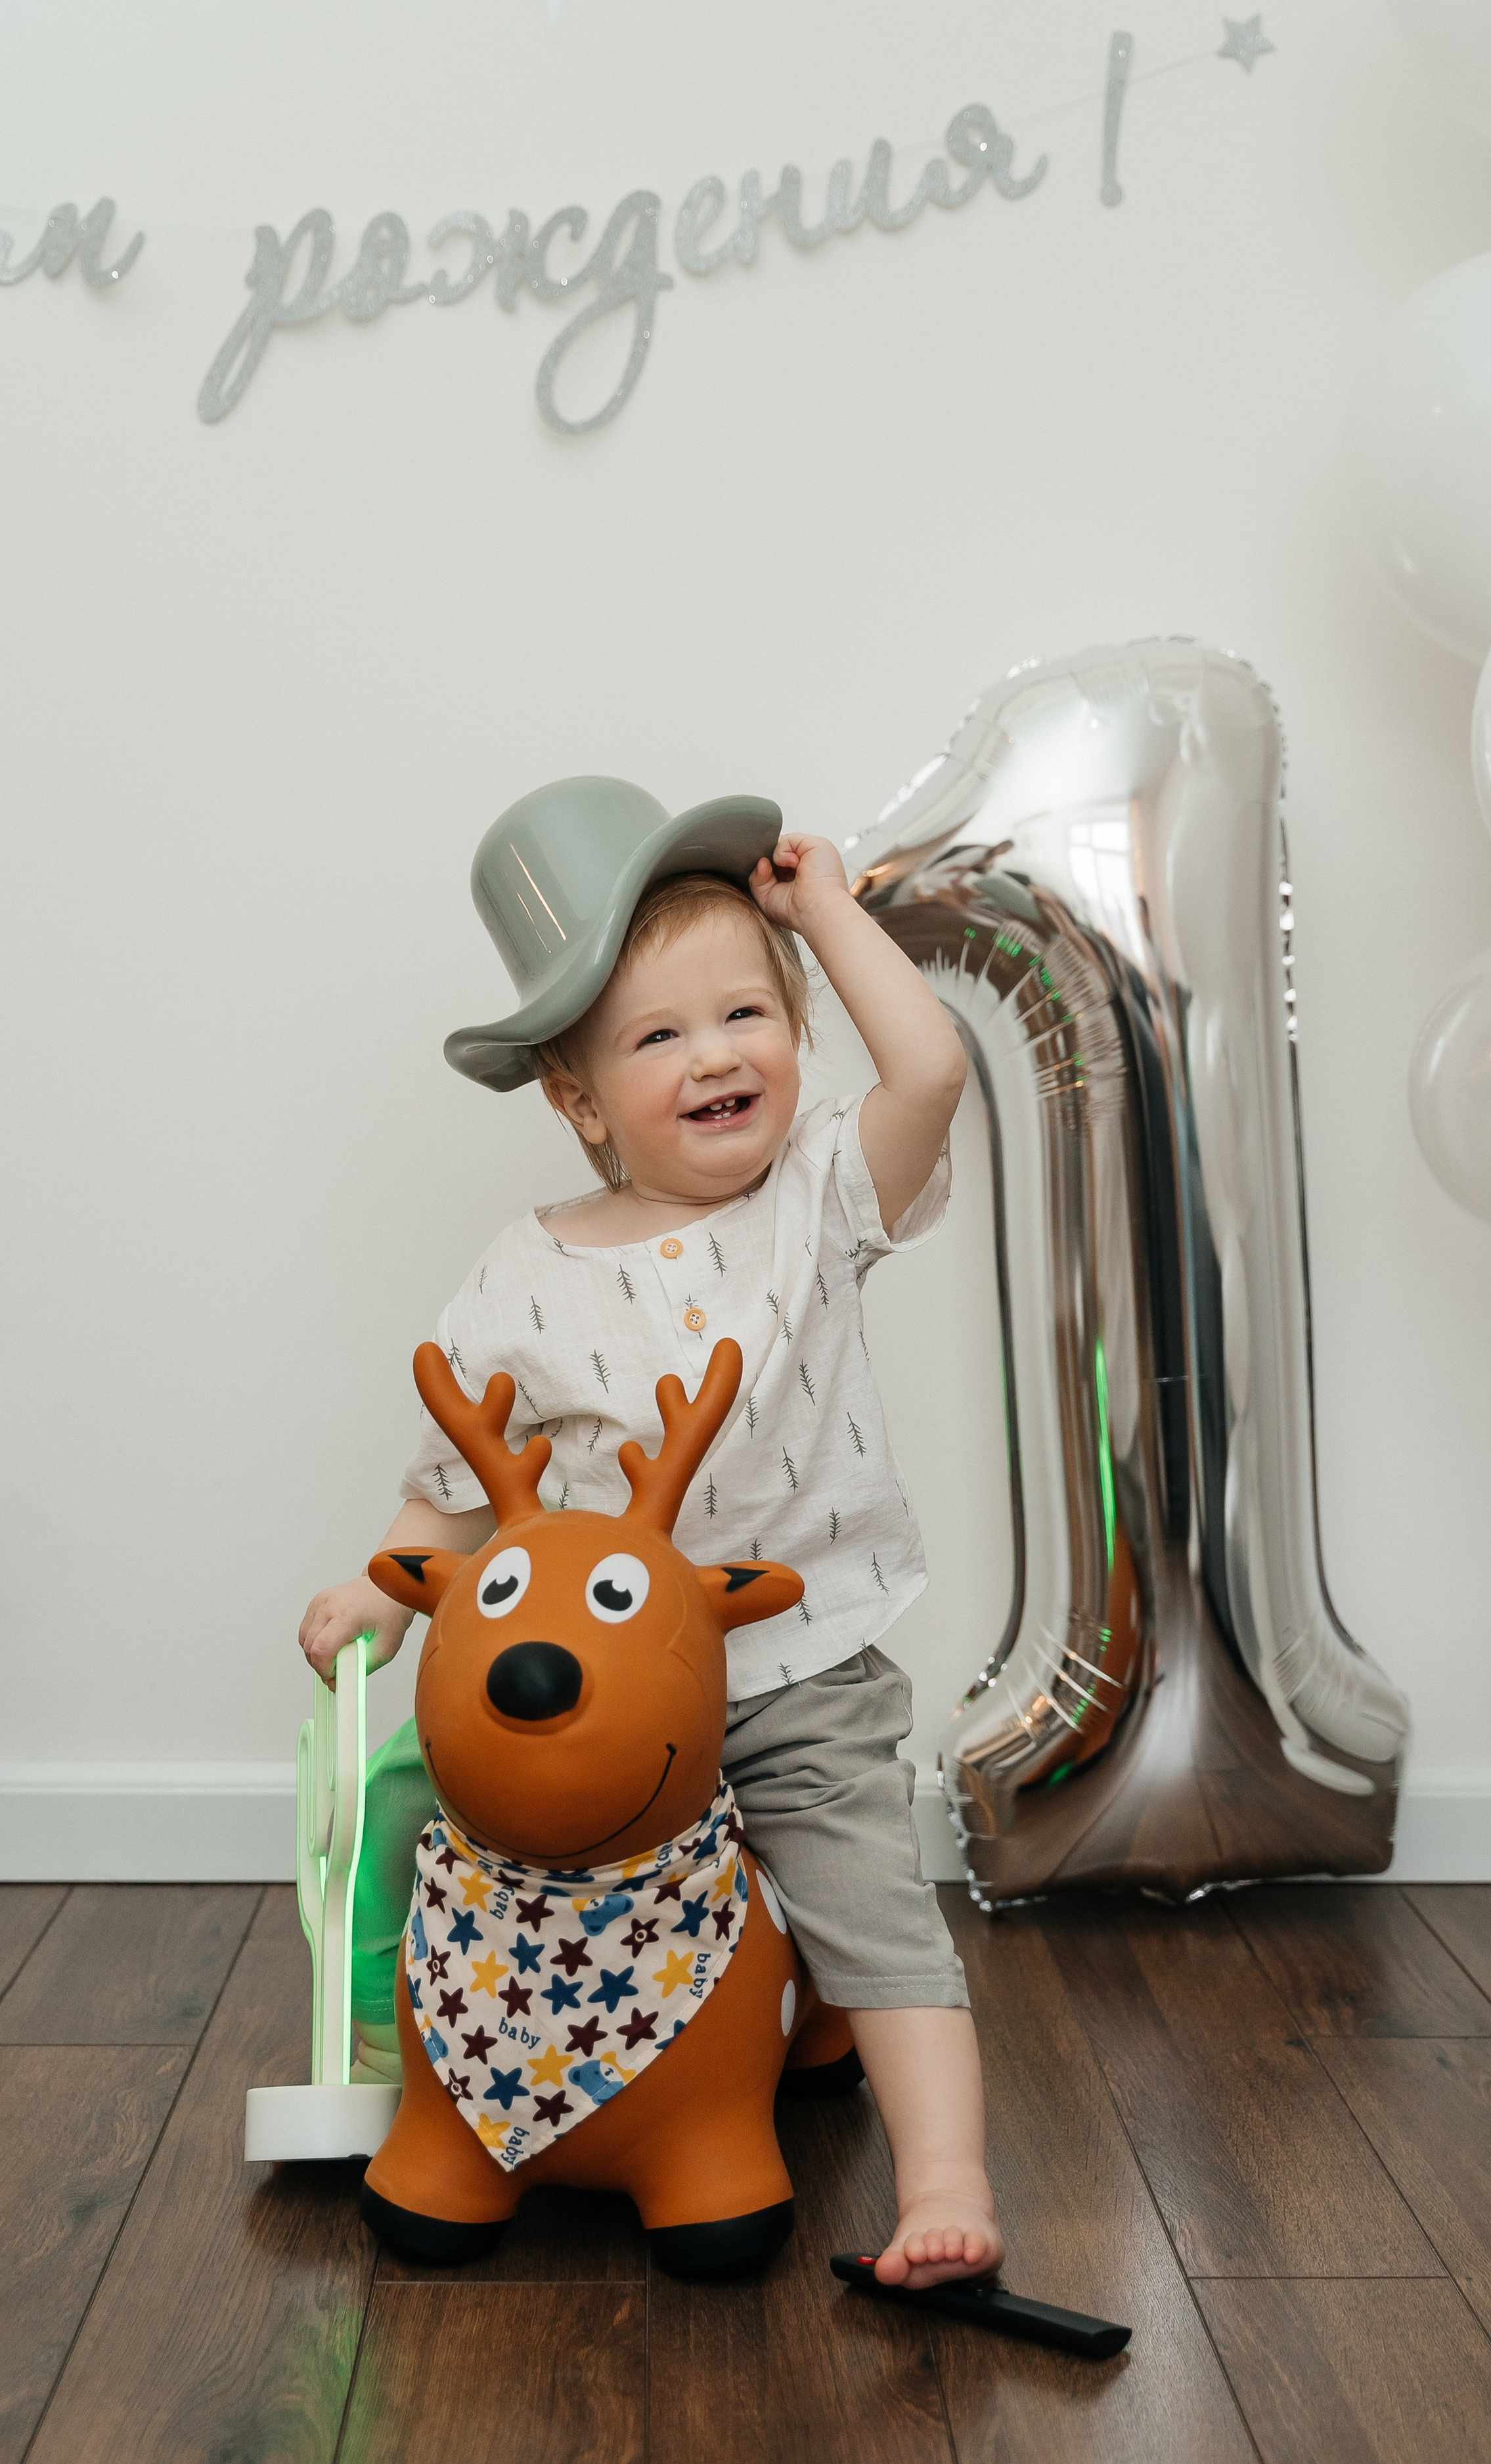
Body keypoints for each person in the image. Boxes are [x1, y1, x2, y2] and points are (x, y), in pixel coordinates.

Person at [298, 777, 1001, 2291]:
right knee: (464, 1859)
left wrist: (824, 914)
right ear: (579, 1097)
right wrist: (384, 1586)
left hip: (799, 1664)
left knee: (866, 1894)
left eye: (746, 1014)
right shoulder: (524, 1273)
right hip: (607, 1702)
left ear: (796, 1034)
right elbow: (454, 1483)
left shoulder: (822, 1194)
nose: (715, 1057)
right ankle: (510, 2103)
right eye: (657, 1036)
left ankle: (942, 2172)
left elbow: (933, 1071)